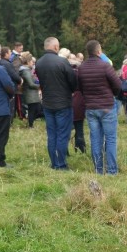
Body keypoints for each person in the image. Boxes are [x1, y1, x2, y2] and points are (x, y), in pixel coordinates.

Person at [78, 40, 123, 174]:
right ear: (99, 51)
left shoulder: (81, 68)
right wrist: (112, 93)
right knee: (110, 139)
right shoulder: (105, 66)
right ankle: (111, 171)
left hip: (91, 108)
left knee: (95, 139)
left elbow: (79, 87)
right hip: (107, 106)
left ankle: (98, 170)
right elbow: (118, 84)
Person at [35, 37, 78, 170]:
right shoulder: (62, 61)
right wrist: (70, 90)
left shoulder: (39, 63)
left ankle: (54, 163)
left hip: (47, 103)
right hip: (63, 103)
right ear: (55, 47)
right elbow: (73, 81)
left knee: (52, 134)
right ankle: (61, 164)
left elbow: (41, 82)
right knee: (62, 134)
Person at [19, 53, 42, 128]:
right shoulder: (26, 71)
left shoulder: (28, 70)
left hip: (32, 94)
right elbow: (31, 84)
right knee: (33, 110)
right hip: (30, 94)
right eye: (32, 62)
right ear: (28, 62)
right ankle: (30, 125)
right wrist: (40, 87)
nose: (33, 63)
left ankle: (30, 123)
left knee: (36, 109)